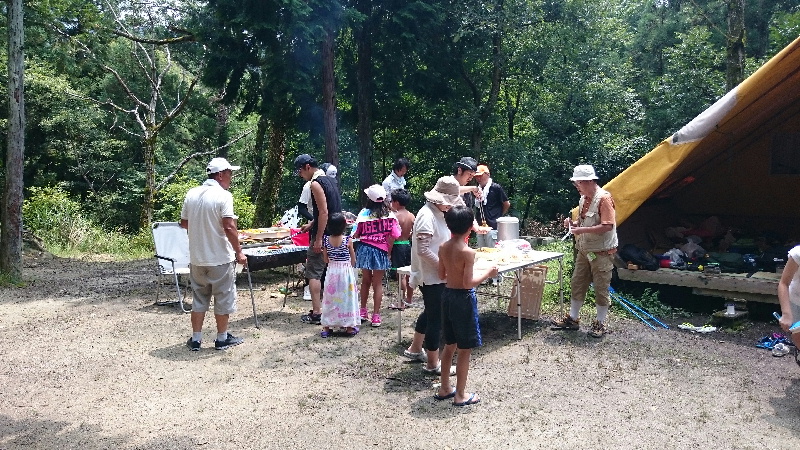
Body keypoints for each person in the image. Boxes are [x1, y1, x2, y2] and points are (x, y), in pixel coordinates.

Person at [181, 157, 247, 351]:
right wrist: (239, 252)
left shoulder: (191, 193)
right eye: (229, 173)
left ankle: (196, 339)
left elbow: (184, 223)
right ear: (220, 175)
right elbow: (229, 226)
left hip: (197, 258)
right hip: (220, 258)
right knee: (223, 298)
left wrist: (201, 227)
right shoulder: (223, 196)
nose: (231, 177)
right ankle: (221, 339)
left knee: (199, 299)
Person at [435, 205, 498, 406]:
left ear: (448, 225)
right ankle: (460, 394)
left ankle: (445, 388)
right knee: (465, 349)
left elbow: (441, 275)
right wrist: (488, 273)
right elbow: (468, 283)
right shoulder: (468, 252)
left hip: (447, 296)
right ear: (471, 227)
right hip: (463, 299)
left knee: (449, 345)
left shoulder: (443, 247)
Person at [404, 176, 464, 375]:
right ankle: (432, 363)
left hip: (436, 274)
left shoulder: (437, 212)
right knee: (436, 319)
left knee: (431, 311)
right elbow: (423, 250)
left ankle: (415, 348)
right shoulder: (426, 216)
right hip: (431, 275)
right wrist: (444, 267)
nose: (450, 206)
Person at [552, 164, 618, 338]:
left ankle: (600, 323)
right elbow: (584, 223)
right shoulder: (583, 198)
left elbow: (608, 226)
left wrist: (581, 230)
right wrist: (572, 225)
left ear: (589, 181)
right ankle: (573, 319)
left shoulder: (604, 198)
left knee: (601, 288)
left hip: (602, 252)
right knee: (577, 283)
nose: (576, 186)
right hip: (584, 250)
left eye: (578, 183)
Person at [295, 153, 342, 325]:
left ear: (307, 167)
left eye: (300, 171)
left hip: (324, 234)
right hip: (336, 232)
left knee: (313, 272)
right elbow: (328, 210)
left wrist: (318, 239)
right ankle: (334, 308)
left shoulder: (315, 184)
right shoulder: (330, 181)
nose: (300, 175)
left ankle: (316, 312)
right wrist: (311, 224)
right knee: (332, 271)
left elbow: (324, 212)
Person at [352, 184, 401, 327]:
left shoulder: (363, 214)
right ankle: (376, 316)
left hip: (364, 249)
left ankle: (362, 311)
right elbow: (396, 234)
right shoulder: (389, 216)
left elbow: (356, 234)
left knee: (365, 280)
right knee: (378, 283)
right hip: (380, 250)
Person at [320, 212, 359, 337]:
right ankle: (349, 327)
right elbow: (353, 259)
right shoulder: (348, 240)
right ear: (344, 226)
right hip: (345, 272)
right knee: (347, 298)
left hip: (332, 271)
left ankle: (327, 327)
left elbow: (325, 260)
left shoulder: (326, 240)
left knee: (329, 298)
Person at [297, 163, 325, 301]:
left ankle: (323, 290)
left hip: (323, 226)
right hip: (315, 227)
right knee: (314, 261)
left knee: (322, 261)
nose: (300, 175)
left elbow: (324, 211)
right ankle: (309, 289)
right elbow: (301, 208)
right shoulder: (309, 185)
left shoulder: (323, 183)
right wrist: (313, 221)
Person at [389, 188, 415, 308]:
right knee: (409, 273)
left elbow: (392, 237)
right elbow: (413, 232)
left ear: (396, 202)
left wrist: (388, 252)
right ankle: (409, 299)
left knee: (400, 275)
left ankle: (401, 302)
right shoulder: (411, 216)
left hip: (398, 245)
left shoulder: (395, 217)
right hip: (408, 245)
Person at [473, 164, 510, 249]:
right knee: (481, 252)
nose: (478, 178)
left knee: (493, 252)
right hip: (480, 227)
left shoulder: (495, 187)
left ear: (488, 174)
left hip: (493, 226)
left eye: (480, 176)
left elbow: (506, 204)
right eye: (476, 176)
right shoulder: (477, 190)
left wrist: (498, 216)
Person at [777, 245, 800, 352]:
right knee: (798, 337)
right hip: (796, 301)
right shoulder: (798, 253)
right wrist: (786, 314)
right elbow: (783, 283)